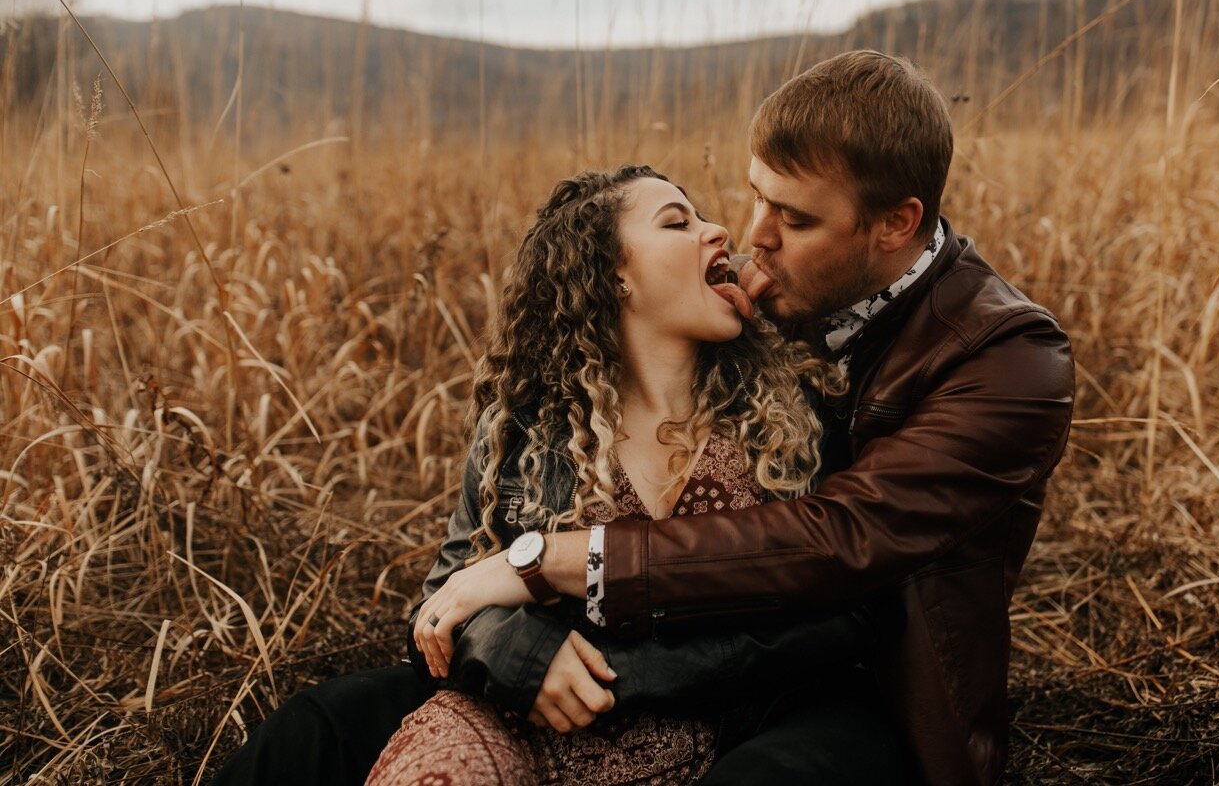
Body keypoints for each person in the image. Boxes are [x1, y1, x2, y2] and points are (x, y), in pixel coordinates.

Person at [436, 50, 1075, 784]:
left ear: (896, 224)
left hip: (873, 715)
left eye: (794, 218)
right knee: (323, 731)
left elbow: (841, 538)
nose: (753, 236)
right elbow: (459, 569)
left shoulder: (1009, 357)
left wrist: (551, 561)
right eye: (755, 198)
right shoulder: (759, 303)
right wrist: (510, 644)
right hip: (663, 691)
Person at [211, 165, 912, 786]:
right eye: (678, 221)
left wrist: (632, 676)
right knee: (318, 730)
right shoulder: (522, 431)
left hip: (743, 725)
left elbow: (844, 609)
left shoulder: (793, 418)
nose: (719, 230)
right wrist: (516, 651)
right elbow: (443, 604)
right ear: (615, 273)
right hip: (534, 731)